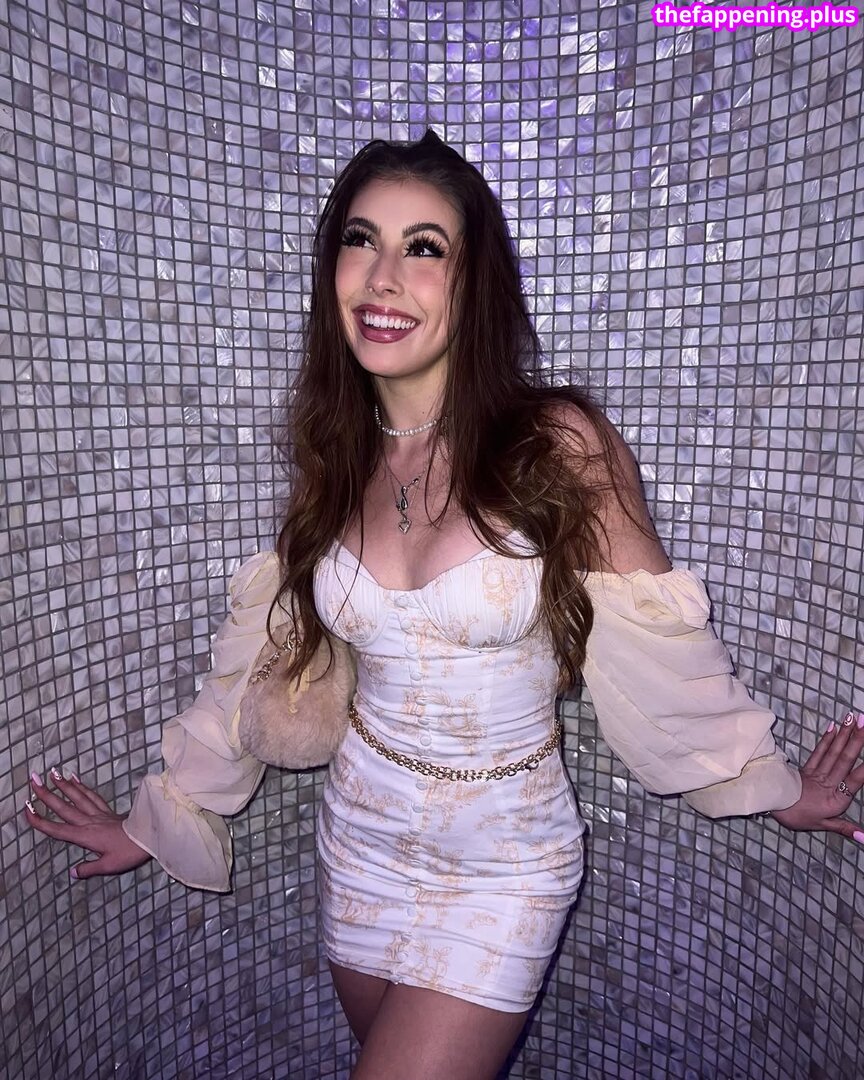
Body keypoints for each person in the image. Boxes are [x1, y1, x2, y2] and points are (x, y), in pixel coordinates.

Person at [23, 130, 864, 1080]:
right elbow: (259, 651)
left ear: (474, 285)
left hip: (506, 863)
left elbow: (659, 645)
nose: (384, 277)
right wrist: (161, 815)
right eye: (360, 240)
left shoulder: (557, 442)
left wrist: (766, 782)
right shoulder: (335, 454)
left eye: (423, 248)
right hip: (359, 843)